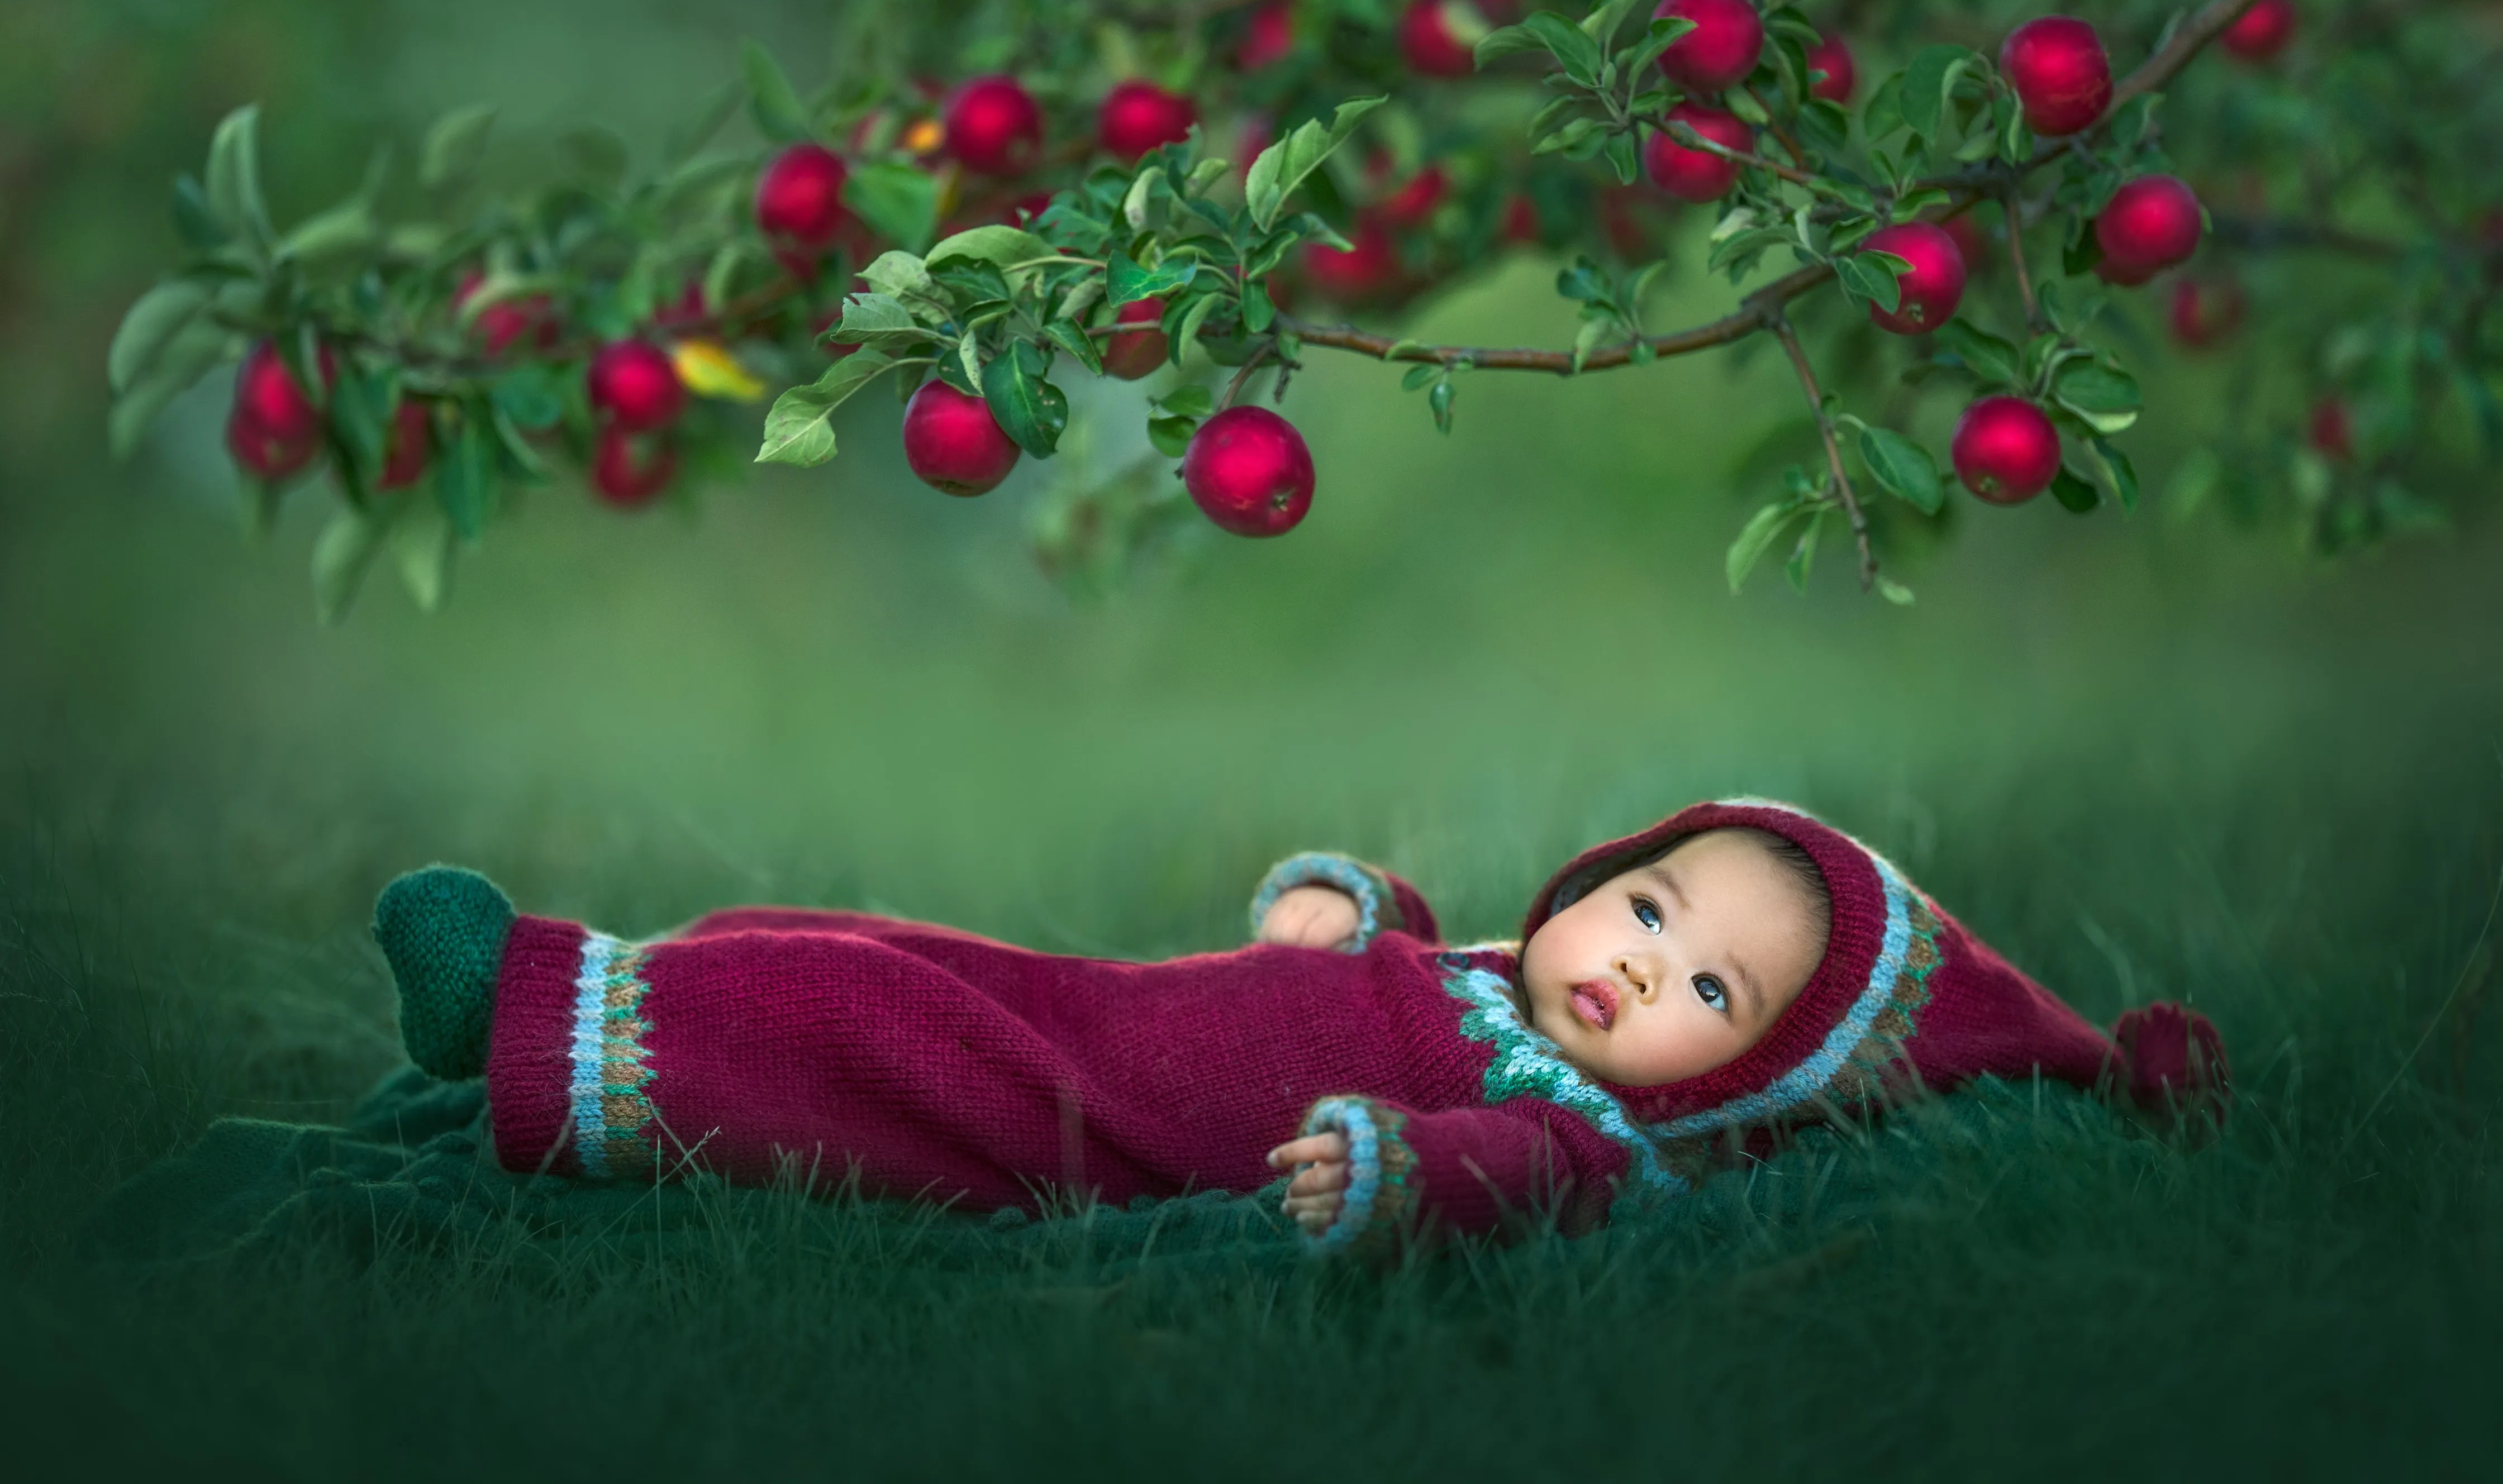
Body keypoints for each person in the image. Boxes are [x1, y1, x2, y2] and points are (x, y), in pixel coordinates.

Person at [370, 798, 2226, 1253]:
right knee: (855, 938)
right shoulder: (1503, 982)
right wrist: (1346, 907)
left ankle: (537, 1030)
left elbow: (1519, 1173)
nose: (1646, 964)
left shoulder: (1600, 1133)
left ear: (1739, 1079)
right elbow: (1416, 952)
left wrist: (1400, 1175)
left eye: (1713, 994)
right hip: (1113, 1007)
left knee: (868, 1035)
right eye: (1652, 906)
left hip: (1098, 1115)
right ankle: (635, 965)